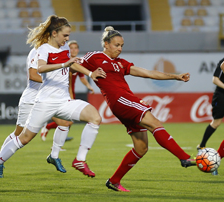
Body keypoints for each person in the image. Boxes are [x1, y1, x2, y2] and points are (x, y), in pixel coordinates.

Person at [0, 15, 106, 191]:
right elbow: (40, 68)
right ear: (54, 33)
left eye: (68, 35)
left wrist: (90, 73)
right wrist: (64, 63)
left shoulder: (63, 48)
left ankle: (79, 160)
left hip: (63, 101)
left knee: (95, 117)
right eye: (65, 35)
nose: (67, 39)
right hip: (45, 102)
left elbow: (71, 65)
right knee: (23, 138)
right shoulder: (43, 49)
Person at [80, 26, 195, 192]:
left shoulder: (121, 63)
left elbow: (147, 73)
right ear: (106, 44)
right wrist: (90, 74)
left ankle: (114, 181)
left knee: (141, 148)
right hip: (120, 100)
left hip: (125, 101)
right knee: (154, 122)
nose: (119, 49)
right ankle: (184, 158)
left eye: (121, 45)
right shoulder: (94, 57)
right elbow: (73, 64)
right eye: (116, 45)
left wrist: (175, 76)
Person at [0, 47, 75, 178]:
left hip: (47, 97)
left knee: (65, 122)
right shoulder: (37, 51)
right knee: (19, 134)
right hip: (32, 98)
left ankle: (54, 155)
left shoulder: (56, 51)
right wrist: (52, 81)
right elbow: (33, 75)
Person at [40, 40, 94, 141]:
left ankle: (59, 138)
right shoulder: (65, 61)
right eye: (71, 48)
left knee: (68, 120)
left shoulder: (78, 63)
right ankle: (50, 130)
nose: (74, 50)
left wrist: (89, 86)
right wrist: (70, 97)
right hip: (63, 92)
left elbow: (82, 77)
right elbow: (67, 80)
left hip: (70, 92)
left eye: (75, 48)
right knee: (69, 120)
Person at [197, 58, 224, 175]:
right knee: (217, 122)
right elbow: (215, 79)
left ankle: (215, 159)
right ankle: (202, 146)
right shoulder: (222, 61)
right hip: (221, 95)